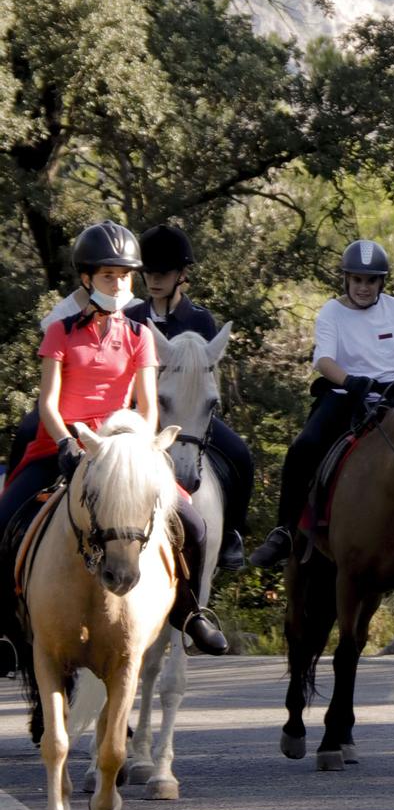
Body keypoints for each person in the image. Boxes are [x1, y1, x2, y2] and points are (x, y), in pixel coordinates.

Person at [0, 221, 228, 654]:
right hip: (62, 446)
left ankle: (191, 612)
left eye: (124, 276)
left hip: (122, 449)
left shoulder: (141, 337)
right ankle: (5, 629)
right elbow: (48, 402)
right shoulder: (60, 332)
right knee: (3, 521)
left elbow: (147, 407)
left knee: (195, 525)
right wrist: (67, 442)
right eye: (109, 275)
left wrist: (135, 444)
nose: (119, 284)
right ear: (87, 278)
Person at [249, 241, 394, 567]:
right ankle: (284, 531)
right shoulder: (332, 311)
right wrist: (349, 381)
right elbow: (323, 360)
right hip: (345, 395)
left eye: (371, 281)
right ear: (346, 279)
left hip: (393, 397)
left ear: (381, 283)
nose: (364, 287)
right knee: (304, 446)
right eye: (357, 280)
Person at [125, 223, 254, 571]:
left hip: (192, 421)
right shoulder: (130, 318)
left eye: (163, 272)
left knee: (241, 455)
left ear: (182, 274)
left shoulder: (200, 321)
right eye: (148, 272)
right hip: (143, 418)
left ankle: (231, 537)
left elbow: (206, 383)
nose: (154, 279)